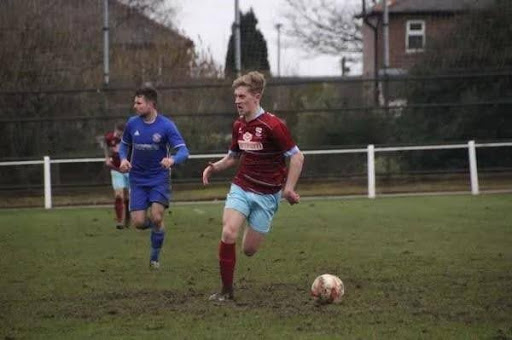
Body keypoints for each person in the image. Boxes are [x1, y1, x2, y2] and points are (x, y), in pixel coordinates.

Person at [202, 71, 304, 301]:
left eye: (242, 96)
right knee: (228, 232)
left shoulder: (273, 125)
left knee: (248, 250)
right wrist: (214, 167)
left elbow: (297, 157)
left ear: (256, 97)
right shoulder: (238, 125)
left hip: (268, 195)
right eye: (235, 97)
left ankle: (253, 224)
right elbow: (232, 157)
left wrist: (288, 190)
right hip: (242, 186)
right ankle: (226, 291)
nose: (237, 101)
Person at [119, 86, 189, 269]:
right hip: (137, 179)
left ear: (151, 104)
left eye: (139, 103)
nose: (135, 106)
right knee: (139, 223)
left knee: (157, 217)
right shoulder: (132, 124)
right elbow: (123, 145)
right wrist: (123, 159)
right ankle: (158, 229)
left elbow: (184, 151)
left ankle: (154, 258)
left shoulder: (166, 126)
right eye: (134, 102)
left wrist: (172, 159)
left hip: (159, 178)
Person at [103, 122, 130, 230]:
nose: (120, 136)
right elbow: (106, 147)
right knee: (119, 196)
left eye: (122, 134)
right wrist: (107, 158)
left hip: (128, 170)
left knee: (128, 197)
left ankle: (128, 219)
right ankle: (120, 221)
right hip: (116, 169)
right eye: (119, 134)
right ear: (115, 130)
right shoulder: (109, 138)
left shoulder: (128, 138)